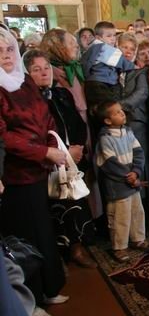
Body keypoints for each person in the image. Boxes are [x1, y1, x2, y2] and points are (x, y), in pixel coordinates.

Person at [0, 28, 68, 316]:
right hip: (15, 176)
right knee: (23, 237)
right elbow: (5, 137)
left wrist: (53, 142)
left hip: (38, 171)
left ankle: (49, 288)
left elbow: (45, 115)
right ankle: (29, 300)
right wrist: (43, 152)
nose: (6, 55)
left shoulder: (24, 80)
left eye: (9, 49)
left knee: (43, 231)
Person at [23, 49, 96, 269]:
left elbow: (78, 124)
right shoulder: (26, 101)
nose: (44, 73)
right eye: (36, 69)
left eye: (46, 68)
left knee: (73, 201)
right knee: (52, 208)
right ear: (26, 73)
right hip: (45, 162)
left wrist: (78, 147)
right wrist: (62, 153)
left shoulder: (62, 94)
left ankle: (77, 247)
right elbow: (33, 136)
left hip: (71, 160)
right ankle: (56, 255)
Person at [95, 100, 149, 262]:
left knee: (137, 212)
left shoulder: (128, 132)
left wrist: (136, 172)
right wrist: (128, 177)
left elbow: (139, 153)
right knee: (120, 216)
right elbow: (109, 163)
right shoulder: (105, 139)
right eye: (117, 112)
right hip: (118, 186)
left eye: (121, 110)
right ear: (108, 120)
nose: (122, 114)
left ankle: (138, 238)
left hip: (132, 182)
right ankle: (119, 247)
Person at [118, 34, 149, 203]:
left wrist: (117, 107)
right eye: (124, 48)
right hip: (117, 125)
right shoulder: (112, 71)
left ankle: (145, 198)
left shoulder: (140, 72)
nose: (128, 52)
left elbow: (141, 94)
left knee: (140, 160)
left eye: (132, 49)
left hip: (136, 120)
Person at [81, 21, 136, 116]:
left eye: (114, 35)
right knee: (109, 111)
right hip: (101, 83)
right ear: (99, 38)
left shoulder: (92, 47)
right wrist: (134, 67)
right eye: (109, 36)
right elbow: (121, 61)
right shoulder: (103, 47)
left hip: (93, 83)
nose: (113, 39)